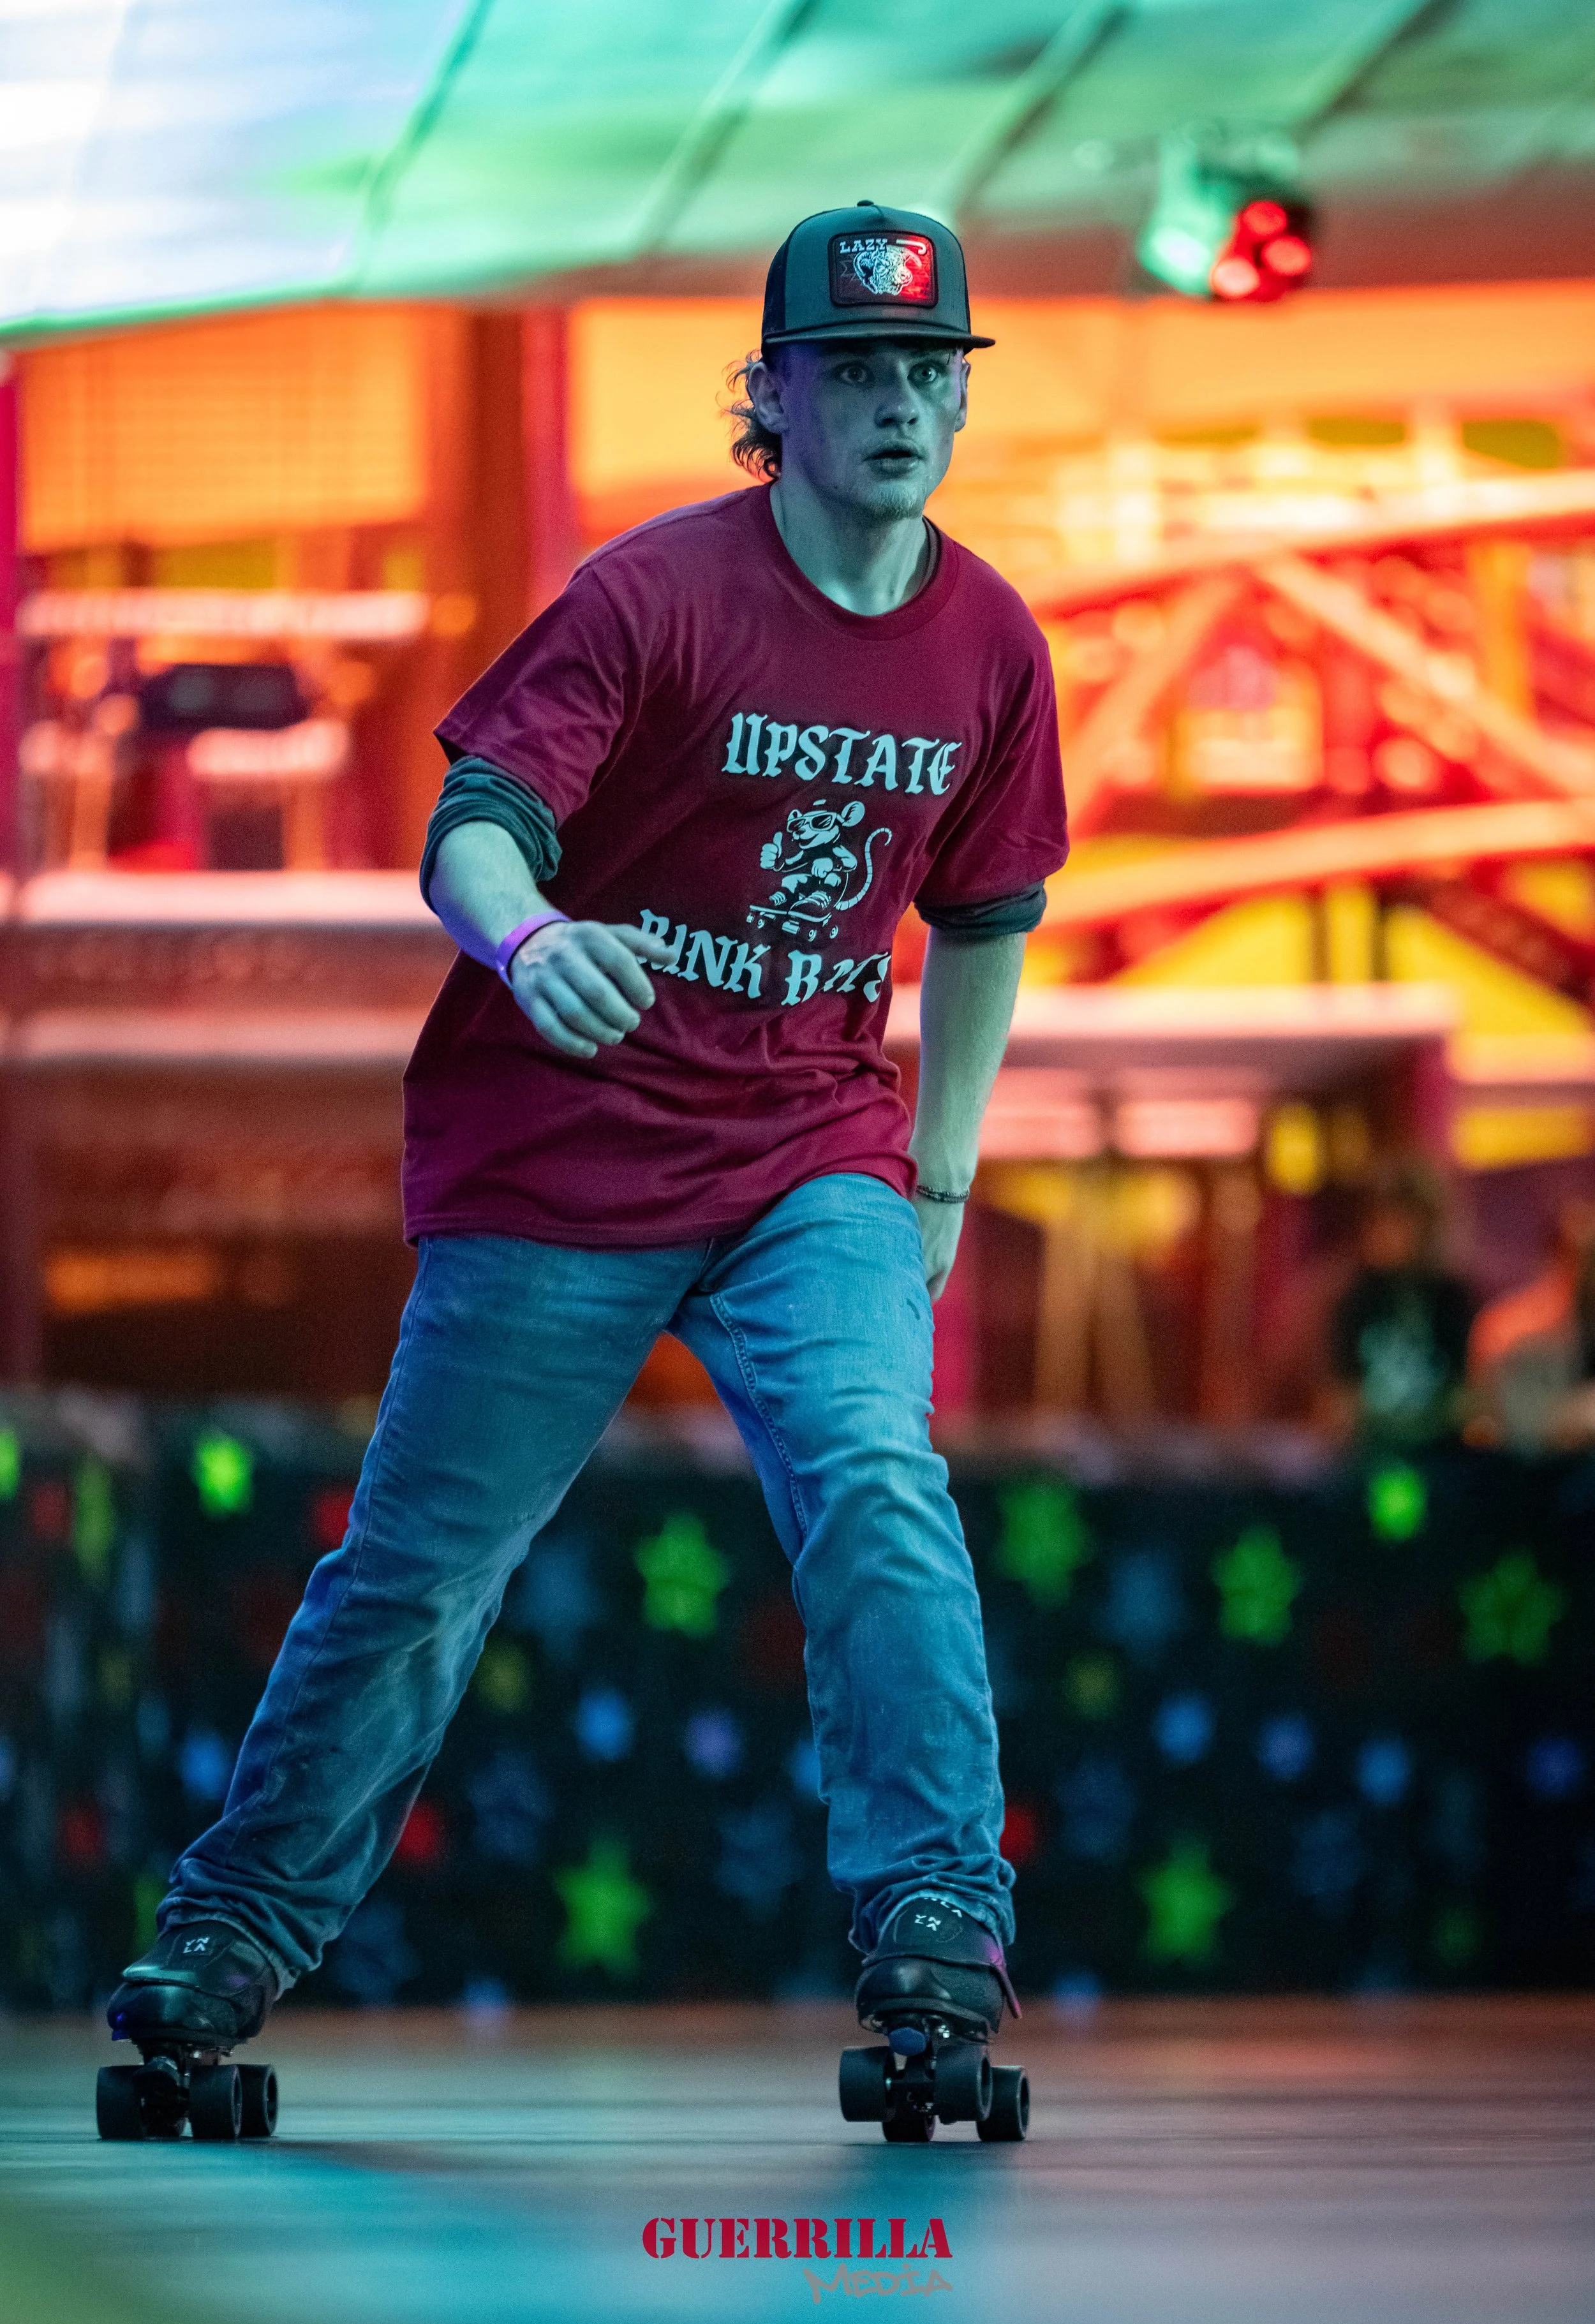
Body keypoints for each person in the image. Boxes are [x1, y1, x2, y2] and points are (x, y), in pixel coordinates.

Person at [107, 204, 1066, 2107]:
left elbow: (983, 915)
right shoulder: (653, 599)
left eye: (922, 374)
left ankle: (935, 1923)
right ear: (771, 395)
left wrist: (935, 1173)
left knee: (878, 1479)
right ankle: (234, 1926)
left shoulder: (988, 644)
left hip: (811, 1146)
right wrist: (529, 936)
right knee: (422, 1562)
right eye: (852, 370)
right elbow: (469, 830)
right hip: (561, 1151)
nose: (892, 406)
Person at [1326, 1158, 1475, 1448]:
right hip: (1368, 1456)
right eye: (1376, 1219)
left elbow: (1468, 1396)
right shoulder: (1351, 1299)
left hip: (1440, 1459)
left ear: (1427, 1225)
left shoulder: (1452, 1299)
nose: (1385, 1232)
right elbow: (1337, 1397)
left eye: (1398, 1219)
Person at [1469, 1195, 1595, 1453]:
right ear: (1554, 1258)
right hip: (1524, 1465)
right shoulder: (1506, 1325)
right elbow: (1489, 1415)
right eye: (1579, 1257)